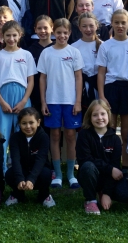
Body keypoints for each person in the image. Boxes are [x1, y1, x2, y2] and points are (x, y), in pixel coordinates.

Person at [38, 18, 84, 189]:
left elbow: (79, 77)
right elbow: (42, 78)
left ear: (70, 33)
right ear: (53, 33)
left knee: (71, 135)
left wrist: (78, 101)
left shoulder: (74, 52)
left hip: (71, 101)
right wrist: (43, 102)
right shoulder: (47, 53)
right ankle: (57, 174)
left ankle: (71, 174)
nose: (62, 35)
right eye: (59, 32)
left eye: (65, 33)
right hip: (52, 101)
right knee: (55, 135)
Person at [97, 9, 128, 169]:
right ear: (112, 24)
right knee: (108, 131)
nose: (120, 25)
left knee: (126, 133)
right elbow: (101, 73)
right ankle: (108, 165)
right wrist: (102, 96)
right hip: (110, 88)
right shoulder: (106, 46)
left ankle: (124, 166)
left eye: (123, 22)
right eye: (116, 22)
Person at [0, 21, 37, 167]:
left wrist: (23, 101)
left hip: (22, 96)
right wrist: (2, 102)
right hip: (3, 96)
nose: (11, 39)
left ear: (20, 35)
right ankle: (0, 170)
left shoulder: (26, 55)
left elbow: (31, 82)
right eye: (8, 35)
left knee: (22, 134)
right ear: (2, 36)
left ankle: (20, 170)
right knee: (1, 135)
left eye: (14, 35)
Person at [76, 99, 128, 215]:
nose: (99, 118)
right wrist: (110, 169)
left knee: (127, 195)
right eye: (95, 115)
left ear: (108, 116)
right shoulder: (84, 135)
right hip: (89, 175)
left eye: (103, 114)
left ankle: (103, 192)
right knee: (88, 166)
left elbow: (115, 167)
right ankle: (90, 200)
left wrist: (107, 193)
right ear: (89, 117)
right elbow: (85, 159)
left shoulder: (115, 139)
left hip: (108, 177)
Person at [5, 107, 55, 208]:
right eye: (24, 123)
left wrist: (31, 179)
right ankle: (18, 194)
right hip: (22, 172)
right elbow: (15, 159)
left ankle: (44, 195)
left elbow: (41, 159)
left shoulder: (43, 137)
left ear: (38, 122)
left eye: (31, 122)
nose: (28, 126)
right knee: (9, 174)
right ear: (19, 123)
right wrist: (19, 178)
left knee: (46, 174)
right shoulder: (15, 138)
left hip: (38, 172)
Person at [73, 12, 103, 113]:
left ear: (97, 26)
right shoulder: (74, 47)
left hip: (100, 86)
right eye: (84, 26)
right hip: (81, 88)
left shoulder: (103, 46)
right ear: (79, 28)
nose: (88, 29)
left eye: (91, 26)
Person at [27, 15, 53, 116]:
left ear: (52, 28)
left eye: (45, 28)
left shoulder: (56, 48)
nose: (42, 31)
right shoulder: (30, 51)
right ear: (35, 30)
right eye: (39, 28)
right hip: (35, 93)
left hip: (53, 92)